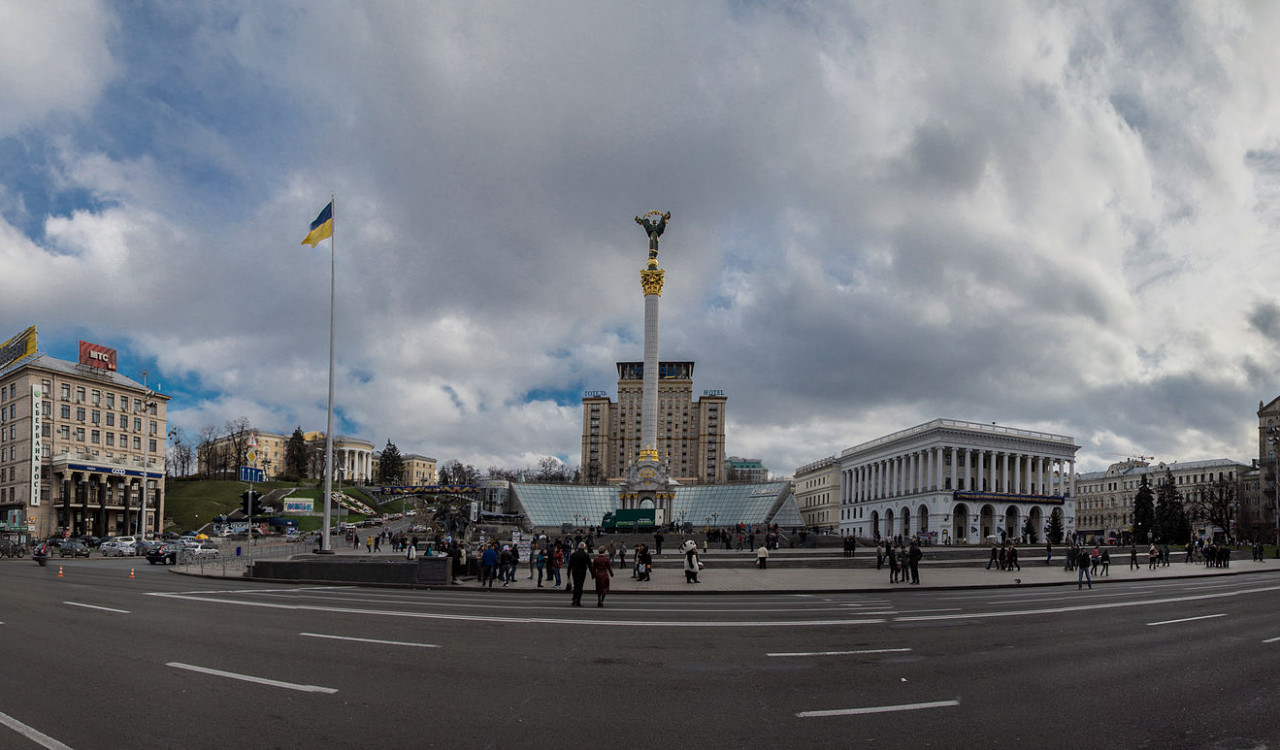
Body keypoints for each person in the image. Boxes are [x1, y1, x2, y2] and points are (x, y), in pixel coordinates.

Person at [567, 542, 591, 606]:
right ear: (583, 547)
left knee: (576, 585)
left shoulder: (573, 554)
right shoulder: (586, 554)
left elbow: (570, 565)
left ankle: (574, 598)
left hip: (574, 572)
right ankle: (578, 600)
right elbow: (589, 565)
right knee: (580, 586)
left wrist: (568, 574)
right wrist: (592, 573)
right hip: (582, 572)